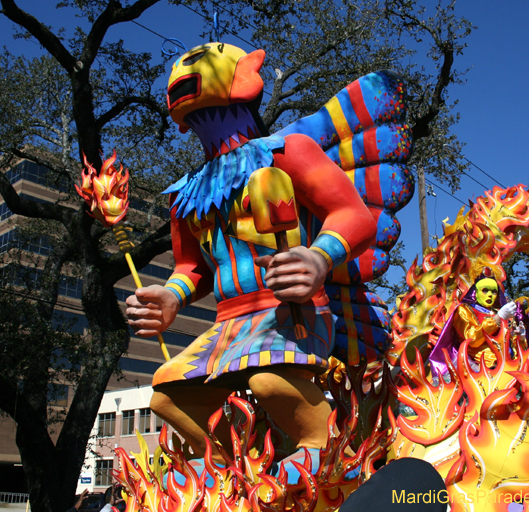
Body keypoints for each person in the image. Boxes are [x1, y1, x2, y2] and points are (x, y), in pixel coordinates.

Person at [125, 42, 377, 478]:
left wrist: (318, 259)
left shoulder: (288, 152)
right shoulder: (185, 193)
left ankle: (329, 450)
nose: (187, 71)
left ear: (245, 80)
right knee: (167, 393)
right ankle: (229, 469)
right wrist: (169, 296)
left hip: (292, 313)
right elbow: (193, 268)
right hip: (229, 325)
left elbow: (353, 215)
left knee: (267, 378)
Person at [428, 265, 517, 376]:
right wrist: (497, 319)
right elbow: (472, 339)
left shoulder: (500, 312)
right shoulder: (465, 310)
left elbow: (512, 343)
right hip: (481, 370)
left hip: (509, 368)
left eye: (494, 292)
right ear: (476, 292)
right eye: (485, 290)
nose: (490, 295)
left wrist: (521, 337)